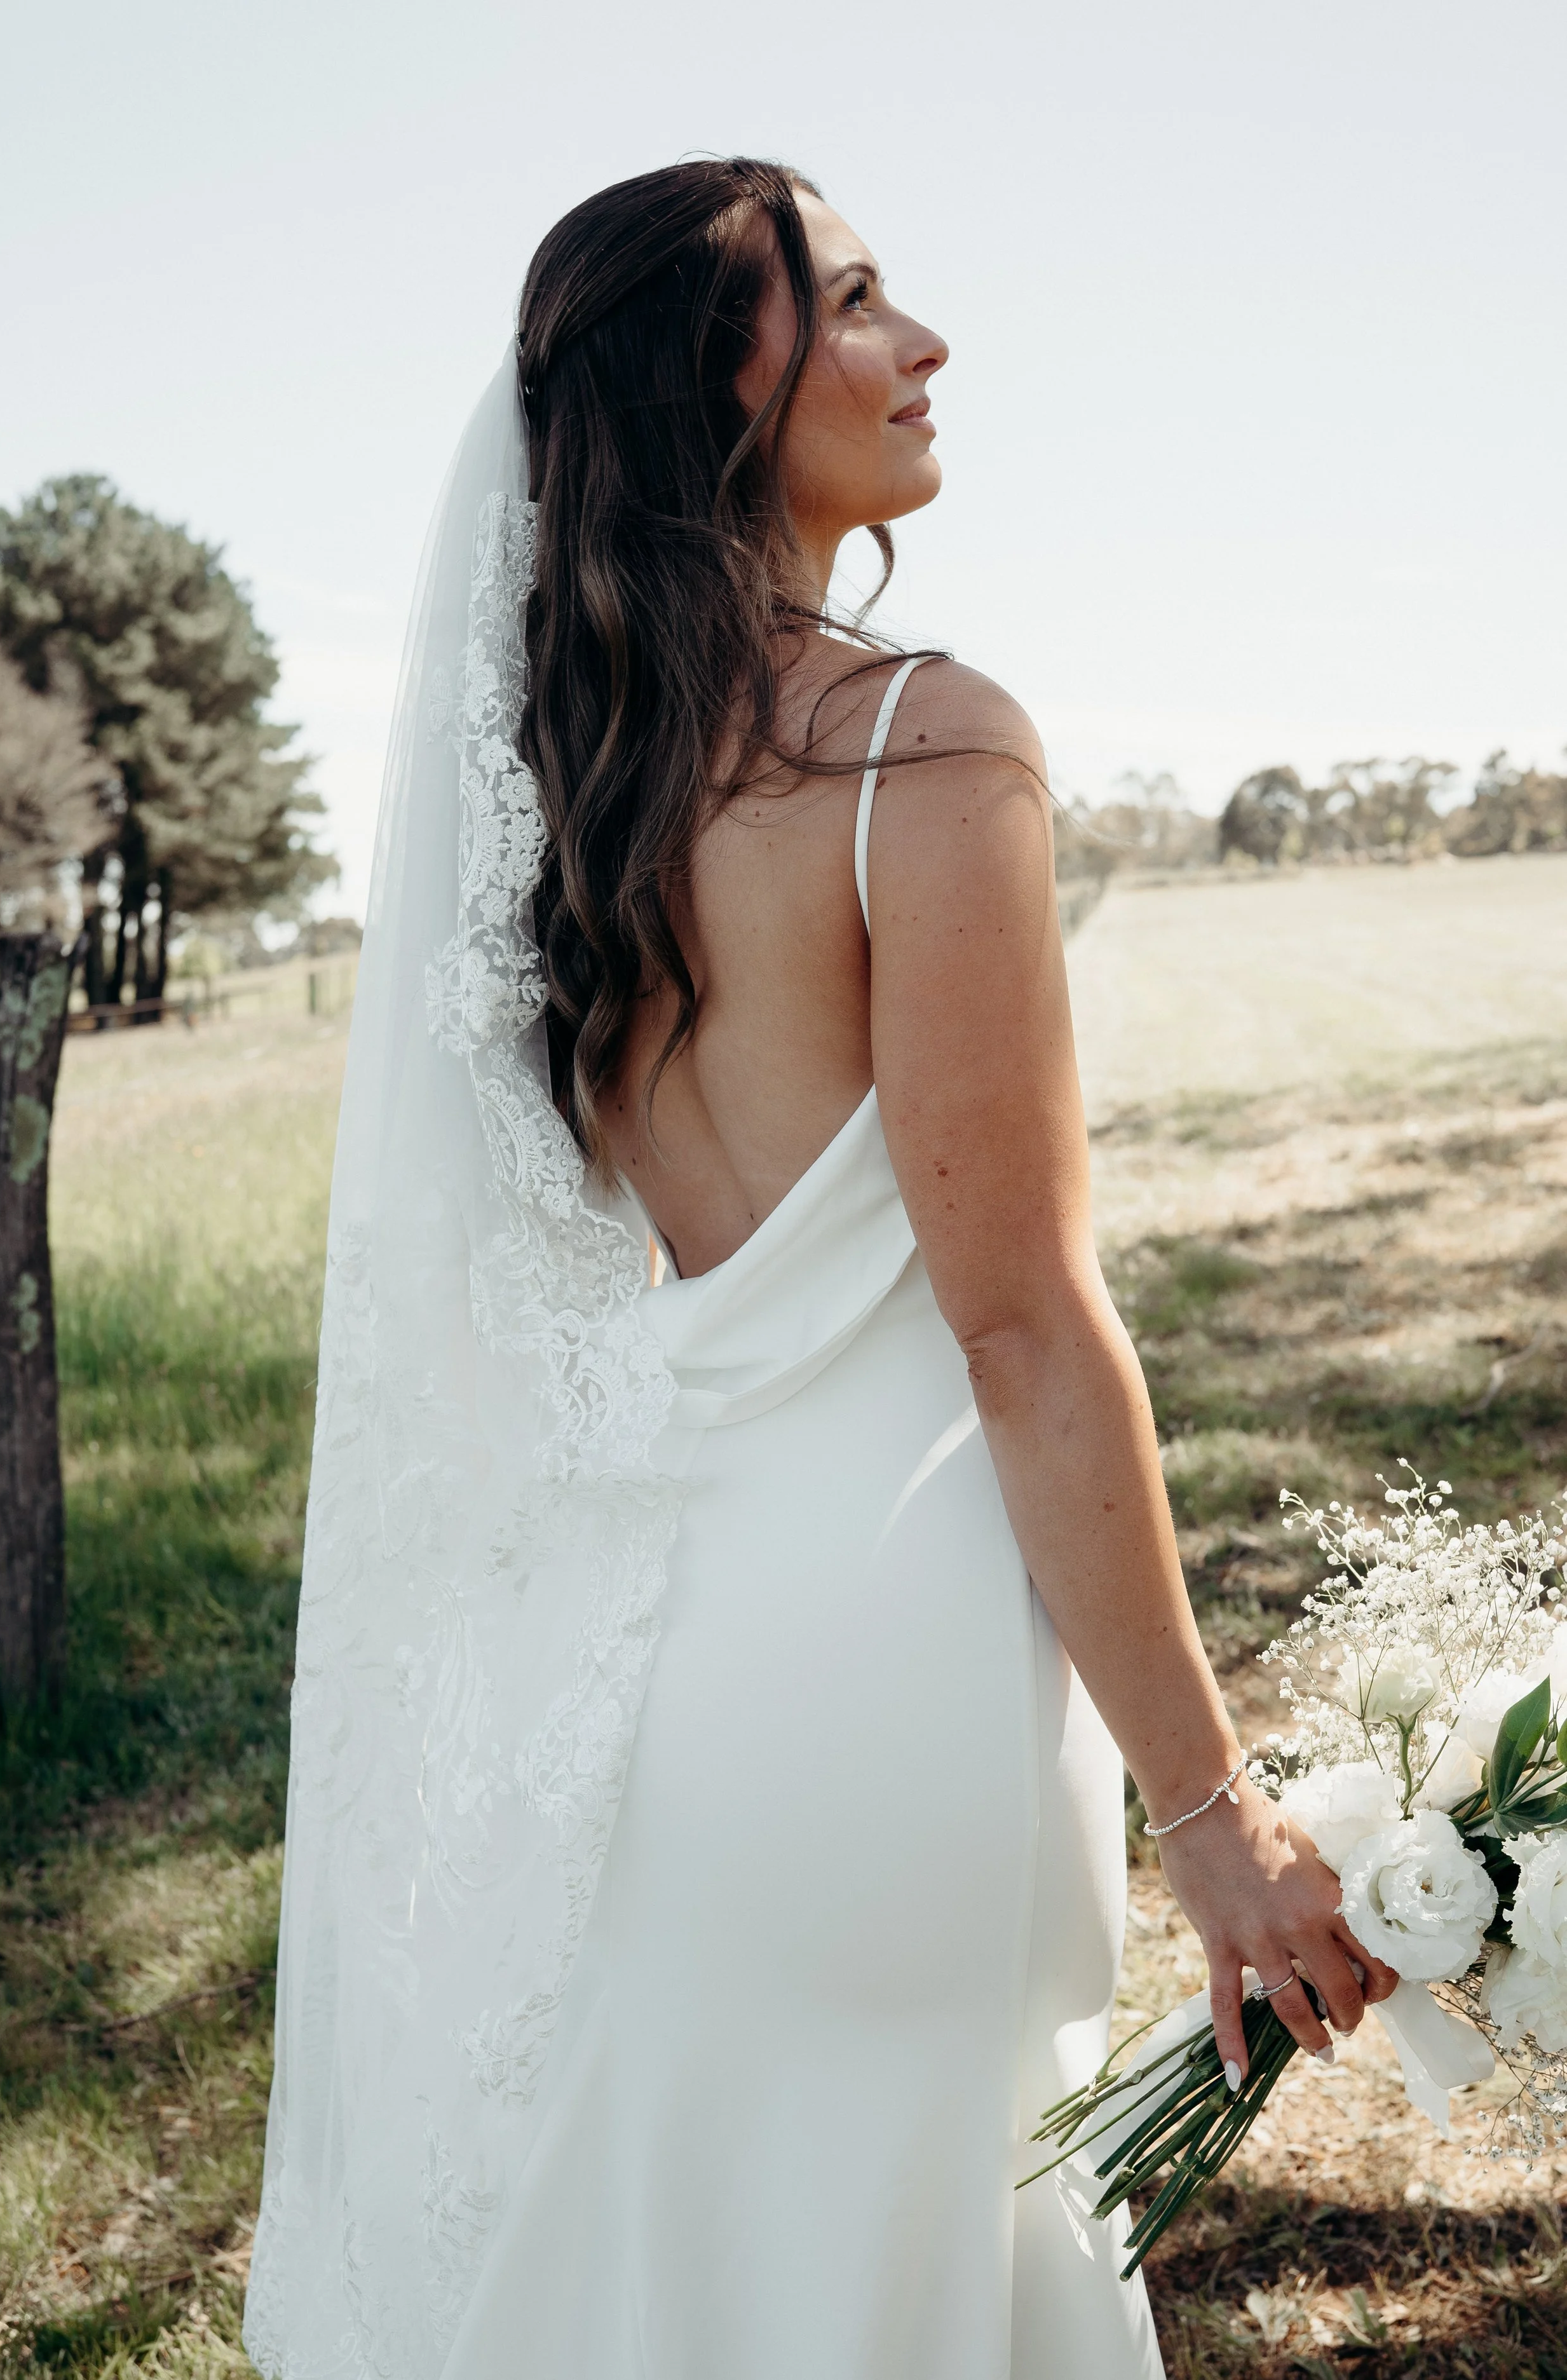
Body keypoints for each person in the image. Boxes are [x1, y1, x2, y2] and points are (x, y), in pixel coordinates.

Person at [244, 159, 1396, 2380]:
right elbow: (1020, 1326)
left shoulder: (556, 784)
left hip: (627, 1681)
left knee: (674, 2258)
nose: (925, 342)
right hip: (887, 1683)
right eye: (858, 302)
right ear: (719, 390)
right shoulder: (924, 744)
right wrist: (1214, 1816)